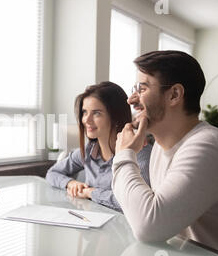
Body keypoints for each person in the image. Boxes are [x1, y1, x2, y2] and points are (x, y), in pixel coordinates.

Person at [112, 50, 218, 256]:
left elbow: (149, 226)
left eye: (142, 88)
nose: (131, 99)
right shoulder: (160, 148)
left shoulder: (208, 146)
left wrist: (124, 155)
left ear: (174, 95)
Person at [46, 82, 152, 212]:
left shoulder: (140, 154)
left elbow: (135, 201)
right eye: (85, 112)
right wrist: (70, 183)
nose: (86, 120)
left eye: (96, 113)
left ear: (115, 115)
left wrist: (91, 193)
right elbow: (52, 173)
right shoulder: (87, 151)